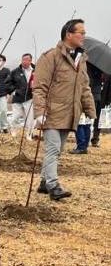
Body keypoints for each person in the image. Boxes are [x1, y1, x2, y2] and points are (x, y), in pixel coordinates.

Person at [34, 19, 96, 200]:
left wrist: (90, 110)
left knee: (58, 149)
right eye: (81, 32)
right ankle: (54, 186)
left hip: (69, 114)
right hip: (51, 113)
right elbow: (39, 87)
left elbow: (84, 87)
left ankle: (44, 182)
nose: (84, 36)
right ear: (69, 34)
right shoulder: (50, 57)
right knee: (53, 149)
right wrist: (39, 112)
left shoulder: (81, 60)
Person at [71, 62, 104, 153]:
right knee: (87, 123)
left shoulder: (86, 68)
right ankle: (84, 146)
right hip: (96, 97)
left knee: (80, 122)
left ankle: (81, 146)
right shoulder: (101, 69)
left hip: (87, 96)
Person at [8, 53, 35, 139]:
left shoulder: (36, 70)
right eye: (23, 59)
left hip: (30, 98)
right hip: (17, 98)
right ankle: (13, 132)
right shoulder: (15, 71)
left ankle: (29, 135)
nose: (25, 61)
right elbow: (7, 83)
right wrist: (14, 91)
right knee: (15, 117)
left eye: (27, 60)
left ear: (30, 61)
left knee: (30, 119)